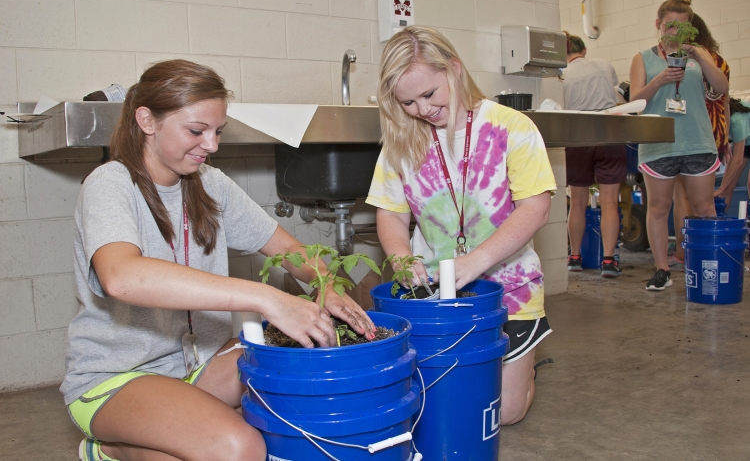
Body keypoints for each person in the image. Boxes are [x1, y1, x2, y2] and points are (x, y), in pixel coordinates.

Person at [61, 59, 376, 461]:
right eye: (196, 131)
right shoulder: (110, 183)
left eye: (217, 132)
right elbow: (121, 277)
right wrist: (266, 298)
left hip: (200, 367)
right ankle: (111, 449)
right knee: (239, 447)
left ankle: (141, 441)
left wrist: (325, 286)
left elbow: (290, 251)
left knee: (305, 377)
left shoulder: (210, 184)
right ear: (147, 120)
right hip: (116, 379)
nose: (211, 145)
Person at [366, 26, 557, 425]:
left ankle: (525, 369)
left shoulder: (511, 126)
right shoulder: (401, 142)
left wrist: (474, 262)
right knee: (439, 403)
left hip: (512, 291)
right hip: (432, 296)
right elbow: (391, 214)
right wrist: (402, 258)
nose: (421, 109)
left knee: (503, 413)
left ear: (453, 69)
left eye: (429, 94)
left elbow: (535, 208)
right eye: (408, 102)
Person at [629, 0, 728, 291]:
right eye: (669, 25)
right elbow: (635, 101)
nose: (674, 32)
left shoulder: (701, 56)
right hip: (658, 145)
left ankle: (705, 265)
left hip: (697, 141)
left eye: (682, 26)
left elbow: (721, 87)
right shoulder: (643, 58)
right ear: (658, 24)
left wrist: (698, 54)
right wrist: (659, 80)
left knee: (705, 208)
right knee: (658, 209)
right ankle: (662, 270)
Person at [562, 32, 626, 278]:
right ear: (584, 50)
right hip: (609, 134)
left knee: (577, 202)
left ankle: (575, 257)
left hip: (578, 138)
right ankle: (609, 261)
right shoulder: (604, 65)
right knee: (610, 202)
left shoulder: (562, 76)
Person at [671, 13, 731, 270]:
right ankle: (709, 254)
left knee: (681, 196)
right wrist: (726, 137)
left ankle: (683, 252)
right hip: (714, 132)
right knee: (705, 202)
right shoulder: (719, 61)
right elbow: (725, 99)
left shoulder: (680, 58)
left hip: (689, 132)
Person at [715, 98, 750, 206]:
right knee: (727, 187)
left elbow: (737, 160)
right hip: (746, 141)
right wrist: (723, 187)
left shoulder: (736, 121)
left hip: (744, 140)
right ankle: (720, 220)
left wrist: (721, 188)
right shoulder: (717, 119)